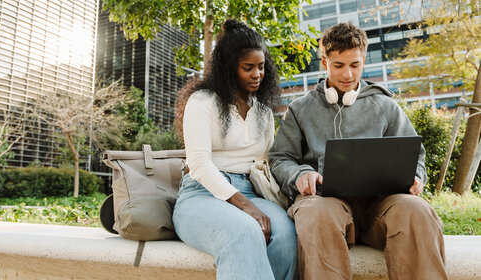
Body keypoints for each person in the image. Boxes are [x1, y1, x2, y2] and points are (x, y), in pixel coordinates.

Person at [269, 22, 447, 280]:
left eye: (355, 65)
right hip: (326, 204)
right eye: (338, 65)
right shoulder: (301, 109)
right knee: (316, 214)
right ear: (324, 62)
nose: (348, 75)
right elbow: (280, 158)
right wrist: (299, 175)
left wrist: (416, 176)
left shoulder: (386, 106)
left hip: (381, 205)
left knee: (416, 211)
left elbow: (415, 155)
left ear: (364, 61)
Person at [172, 19, 297, 280]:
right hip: (200, 194)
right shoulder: (202, 101)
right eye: (247, 68)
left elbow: (268, 162)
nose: (257, 75)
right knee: (245, 230)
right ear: (230, 69)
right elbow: (199, 163)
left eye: (261, 67)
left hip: (251, 190)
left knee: (286, 235)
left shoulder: (263, 112)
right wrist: (247, 208)